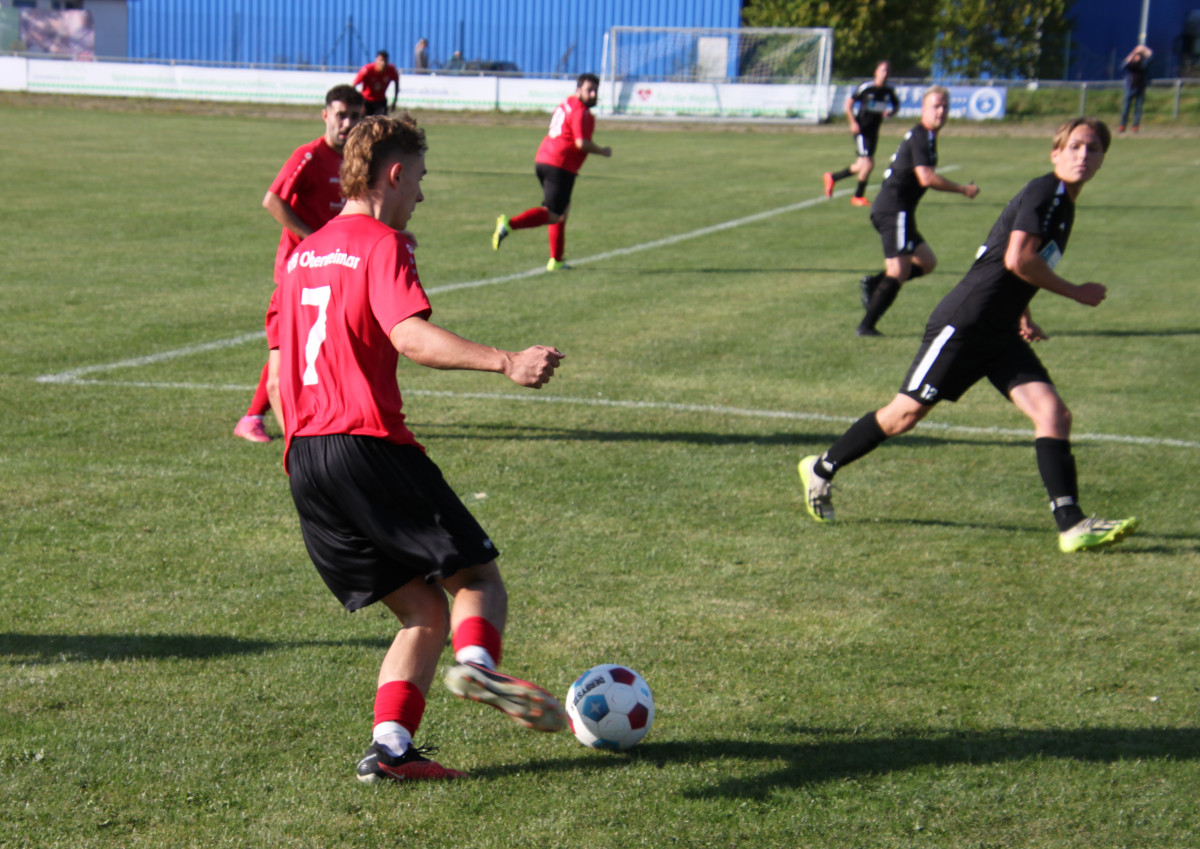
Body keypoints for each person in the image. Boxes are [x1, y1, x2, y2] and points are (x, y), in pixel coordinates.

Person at [266, 113, 568, 783]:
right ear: (394, 174)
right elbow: (409, 335)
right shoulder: (381, 243)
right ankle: (481, 670)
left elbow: (278, 364)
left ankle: (391, 748)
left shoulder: (303, 252)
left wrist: (301, 445)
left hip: (307, 461)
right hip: (366, 443)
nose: (421, 197)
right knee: (477, 577)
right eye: (421, 180)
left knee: (422, 608)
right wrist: (505, 361)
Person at [798, 117, 1139, 554]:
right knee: (903, 416)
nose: (1082, 156)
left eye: (1092, 149)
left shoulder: (1064, 204)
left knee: (1054, 414)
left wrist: (1023, 313)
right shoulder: (1045, 191)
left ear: (1102, 160)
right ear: (1056, 153)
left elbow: (1016, 265)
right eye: (1074, 146)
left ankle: (1072, 525)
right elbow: (1018, 259)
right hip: (965, 323)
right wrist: (1077, 292)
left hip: (998, 330)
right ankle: (822, 469)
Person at [233, 84, 364, 443]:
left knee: (322, 339)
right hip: (299, 268)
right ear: (325, 115)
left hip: (335, 265)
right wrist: (311, 237)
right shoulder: (308, 155)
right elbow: (272, 200)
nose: (347, 123)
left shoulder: (358, 160)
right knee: (291, 343)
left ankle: (332, 409)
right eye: (341, 115)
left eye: (355, 116)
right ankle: (252, 416)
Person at [856, 86, 979, 337]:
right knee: (899, 271)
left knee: (927, 262)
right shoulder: (922, 135)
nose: (941, 111)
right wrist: (962, 189)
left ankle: (875, 284)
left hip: (900, 211)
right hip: (894, 209)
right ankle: (867, 325)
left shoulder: (928, 135)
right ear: (923, 110)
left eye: (945, 106)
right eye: (936, 106)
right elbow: (926, 177)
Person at [491, 73, 612, 272]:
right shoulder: (581, 111)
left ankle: (556, 260)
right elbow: (581, 143)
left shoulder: (567, 103)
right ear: (578, 89)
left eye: (595, 91)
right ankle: (509, 224)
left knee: (562, 211)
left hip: (544, 159)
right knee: (554, 214)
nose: (592, 94)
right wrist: (602, 151)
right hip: (560, 164)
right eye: (588, 90)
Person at [823, 61, 899, 207]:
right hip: (862, 130)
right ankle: (858, 196)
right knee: (868, 163)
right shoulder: (866, 88)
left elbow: (896, 106)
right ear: (876, 72)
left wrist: (890, 113)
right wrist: (852, 122)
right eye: (882, 70)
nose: (885, 74)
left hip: (873, 132)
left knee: (861, 165)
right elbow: (849, 103)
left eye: (887, 71)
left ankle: (832, 177)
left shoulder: (888, 91)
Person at [1118, 44, 1153, 133]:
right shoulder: (1130, 65)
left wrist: (1143, 49)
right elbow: (1123, 66)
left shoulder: (1143, 64)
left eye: (1139, 56)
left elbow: (1150, 56)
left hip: (1140, 88)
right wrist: (1133, 53)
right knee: (1126, 108)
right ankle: (1122, 125)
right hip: (1130, 88)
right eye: (1136, 56)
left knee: (1138, 109)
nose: (1137, 57)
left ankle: (1135, 126)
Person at [354, 50, 399, 117]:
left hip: (380, 101)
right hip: (366, 101)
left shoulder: (391, 70)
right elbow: (353, 85)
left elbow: (397, 84)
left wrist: (394, 102)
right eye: (381, 60)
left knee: (382, 123)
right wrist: (358, 103)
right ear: (376, 60)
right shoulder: (367, 70)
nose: (383, 63)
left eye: (385, 61)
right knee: (363, 122)